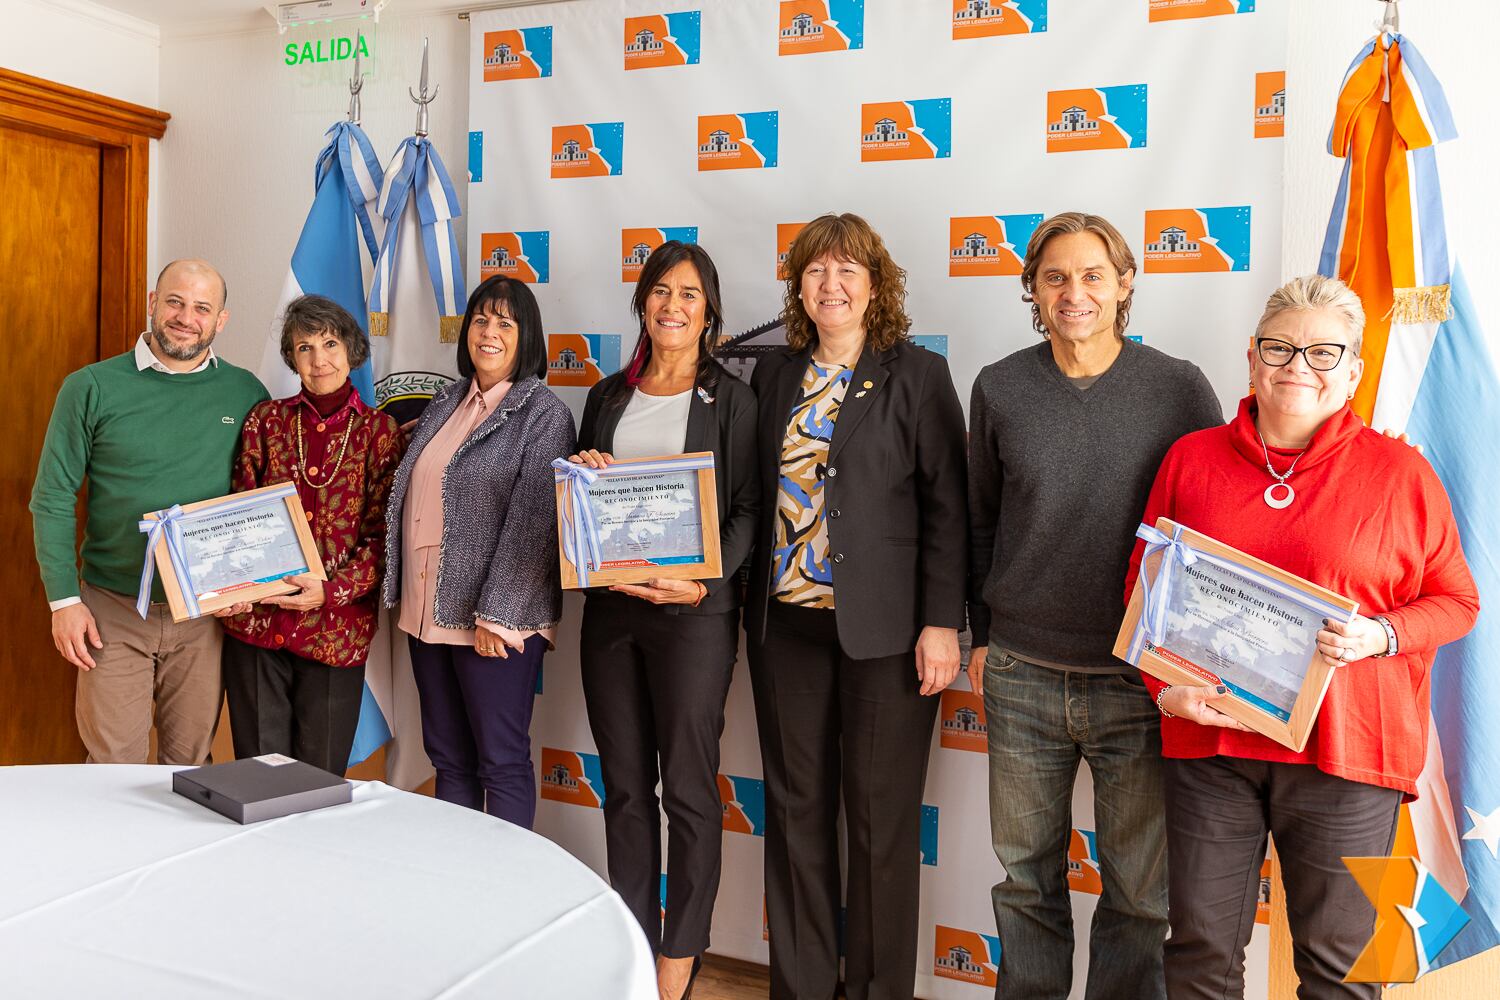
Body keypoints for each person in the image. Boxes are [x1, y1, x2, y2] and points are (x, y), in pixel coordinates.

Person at [1128, 274, 1479, 999]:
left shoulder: (1401, 473)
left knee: (1340, 968)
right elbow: (1146, 591)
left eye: (1324, 353)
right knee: (1197, 955)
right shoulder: (1190, 459)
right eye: (1281, 347)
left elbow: (1457, 601)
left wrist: (1380, 636)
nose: (1298, 367)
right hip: (1212, 744)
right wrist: (1167, 694)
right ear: (1252, 357)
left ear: (1353, 372)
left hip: (1348, 753)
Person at [965, 212, 1223, 1000]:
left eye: (1091, 275)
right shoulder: (999, 386)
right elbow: (979, 520)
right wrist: (981, 638)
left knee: (1140, 897)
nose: (1073, 292)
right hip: (1022, 674)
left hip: (1139, 682)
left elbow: (1211, 525)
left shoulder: (1177, 386)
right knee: (1025, 882)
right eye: (1054, 277)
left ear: (1125, 285)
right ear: (1032, 291)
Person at [746, 212, 968, 1000]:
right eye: (814, 271)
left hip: (888, 636)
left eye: (847, 271)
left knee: (879, 828)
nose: (829, 285)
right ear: (797, 287)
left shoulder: (916, 375)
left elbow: (949, 509)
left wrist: (944, 623)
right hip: (785, 630)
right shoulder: (771, 375)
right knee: (797, 813)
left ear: (877, 285)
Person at [570, 241, 758, 1000]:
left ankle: (680, 952)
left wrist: (705, 576)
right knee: (622, 788)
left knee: (686, 787)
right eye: (659, 291)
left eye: (688, 294)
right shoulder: (609, 396)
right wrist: (584, 476)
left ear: (709, 309)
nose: (672, 305)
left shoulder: (732, 399)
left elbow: (748, 511)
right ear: (642, 302)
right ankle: (634, 941)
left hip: (693, 618)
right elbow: (582, 501)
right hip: (612, 616)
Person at [30, 259, 268, 764]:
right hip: (110, 611)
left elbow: (259, 503)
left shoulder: (246, 393)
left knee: (191, 767)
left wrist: (248, 584)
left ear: (220, 321)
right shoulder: (90, 387)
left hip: (204, 615)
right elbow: (51, 497)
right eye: (175, 301)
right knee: (112, 772)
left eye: (202, 308)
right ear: (152, 302)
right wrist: (63, 602)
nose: (186, 317)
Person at [382, 275, 575, 828]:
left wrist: (502, 613)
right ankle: (459, 882)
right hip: (427, 615)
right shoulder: (447, 399)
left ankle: (508, 891)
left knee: (501, 761)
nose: (489, 333)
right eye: (481, 320)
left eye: (505, 323)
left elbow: (534, 522)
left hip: (494, 623)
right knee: (448, 758)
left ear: (526, 335)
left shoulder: (543, 413)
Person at [215, 295, 403, 774]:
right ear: (291, 357)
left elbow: (384, 537)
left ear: (352, 350)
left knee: (318, 778)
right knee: (257, 775)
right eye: (304, 348)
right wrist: (236, 586)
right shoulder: (267, 421)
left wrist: (330, 591)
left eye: (330, 344)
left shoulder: (379, 432)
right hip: (257, 628)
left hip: (336, 632)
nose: (319, 360)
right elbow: (239, 518)